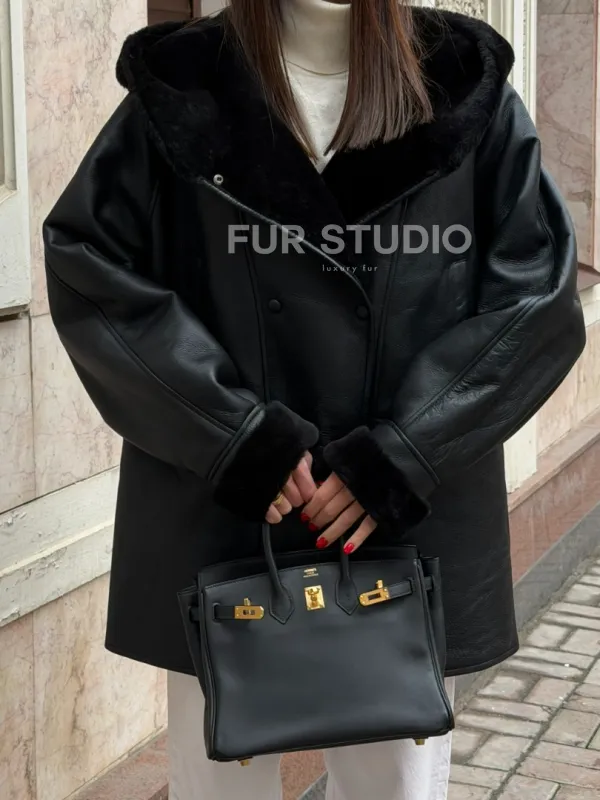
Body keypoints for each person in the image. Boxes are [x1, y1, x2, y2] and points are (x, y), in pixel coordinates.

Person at [42, 1, 586, 798]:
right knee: (223, 780)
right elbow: (91, 270)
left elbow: (537, 300)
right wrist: (235, 437)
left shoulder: (460, 84)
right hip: (227, 507)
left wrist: (402, 455)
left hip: (398, 518)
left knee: (393, 784)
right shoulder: (185, 84)